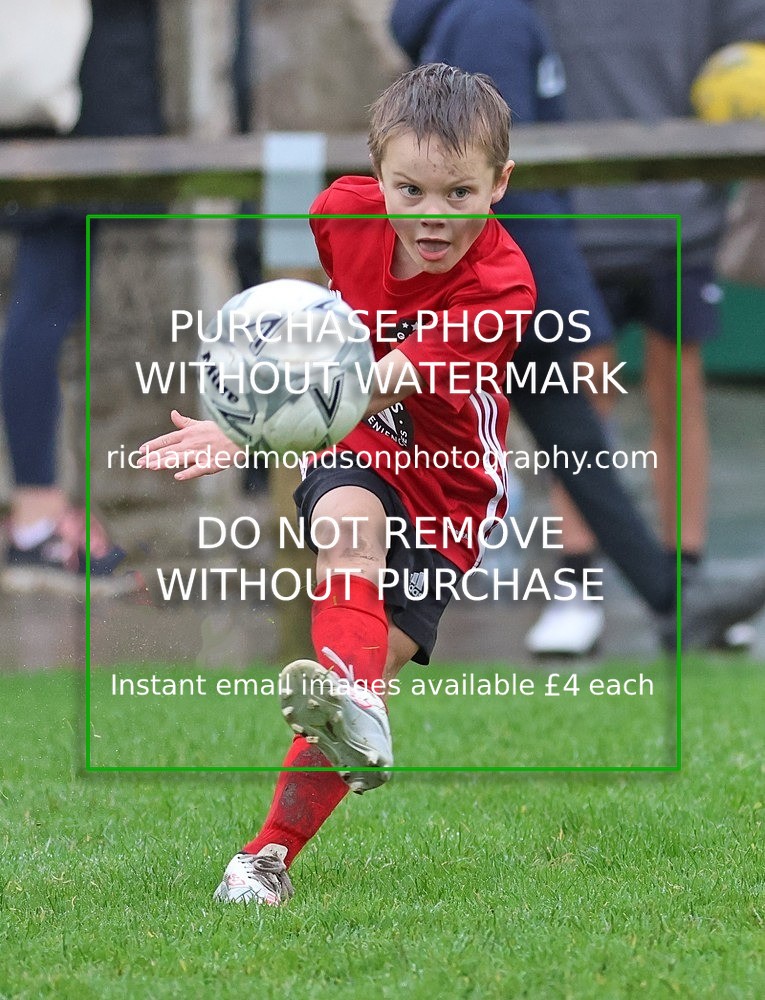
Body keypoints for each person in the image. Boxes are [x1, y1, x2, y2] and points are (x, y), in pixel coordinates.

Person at [138, 63, 536, 904]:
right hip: (355, 439)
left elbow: (383, 374)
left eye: (460, 193)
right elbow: (332, 317)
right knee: (347, 535)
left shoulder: (504, 286)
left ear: (499, 183)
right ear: (376, 174)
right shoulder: (339, 212)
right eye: (411, 189)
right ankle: (262, 864)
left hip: (449, 489)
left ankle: (299, 803)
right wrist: (252, 398)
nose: (433, 217)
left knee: (356, 686)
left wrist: (244, 426)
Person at [390, 0, 765, 654]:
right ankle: (378, 626)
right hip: (494, 277)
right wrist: (577, 313)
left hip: (490, 273)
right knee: (432, 461)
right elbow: (512, 180)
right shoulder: (491, 22)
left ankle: (674, 599)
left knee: (572, 441)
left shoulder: (484, 17)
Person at [526, 0, 765, 651]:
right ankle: (576, 584)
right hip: (571, 208)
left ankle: (685, 584)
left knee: (678, 391)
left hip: (682, 210)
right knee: (580, 396)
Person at [1, 0, 163, 593]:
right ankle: (35, 521)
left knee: (49, 302)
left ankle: (37, 513)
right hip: (76, 98)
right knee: (44, 304)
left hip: (80, 88)